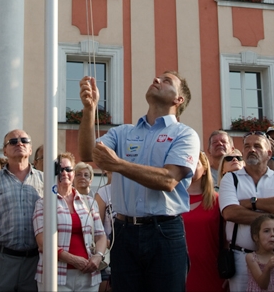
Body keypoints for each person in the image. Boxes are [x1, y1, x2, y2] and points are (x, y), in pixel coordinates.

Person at [78, 71, 201, 292]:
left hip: (164, 232)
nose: (156, 80)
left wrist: (118, 165)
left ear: (178, 99)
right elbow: (88, 153)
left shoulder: (185, 134)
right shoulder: (123, 132)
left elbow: (169, 179)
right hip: (123, 232)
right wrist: (89, 111)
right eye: (156, 78)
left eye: (166, 81)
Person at [220, 131, 274, 292]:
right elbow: (230, 213)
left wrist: (253, 203)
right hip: (243, 259)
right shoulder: (231, 179)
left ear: (269, 153)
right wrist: (271, 219)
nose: (252, 150)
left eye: (257, 146)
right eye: (247, 146)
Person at [0, 129, 45, 292]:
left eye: (24, 141)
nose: (19, 143)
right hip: (1, 261)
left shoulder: (44, 180)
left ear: (31, 149)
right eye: (13, 141)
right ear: (5, 150)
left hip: (35, 263)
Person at [33, 153, 107, 292]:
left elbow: (100, 235)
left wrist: (98, 257)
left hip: (88, 275)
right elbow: (42, 242)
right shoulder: (44, 203)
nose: (64, 173)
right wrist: (73, 260)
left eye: (68, 169)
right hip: (56, 275)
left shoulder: (89, 202)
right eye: (60, 170)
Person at [182, 151, 222, 292]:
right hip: (179, 269)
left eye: (194, 163)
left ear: (205, 169)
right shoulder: (173, 201)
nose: (189, 167)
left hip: (210, 269)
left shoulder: (217, 201)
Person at [245, 214, 274, 291]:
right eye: (266, 231)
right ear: (256, 237)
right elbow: (263, 285)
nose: (272, 234)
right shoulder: (252, 258)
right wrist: (268, 268)